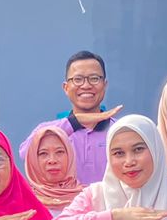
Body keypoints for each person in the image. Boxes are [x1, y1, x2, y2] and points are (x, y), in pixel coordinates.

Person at [46, 114, 167, 220]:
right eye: (119, 153)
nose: (129, 161)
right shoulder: (95, 195)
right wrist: (114, 217)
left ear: (155, 150)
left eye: (138, 150)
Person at [20, 51, 123, 183]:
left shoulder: (120, 130)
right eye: (78, 79)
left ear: (105, 85)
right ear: (66, 87)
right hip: (63, 197)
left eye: (94, 78)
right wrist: (73, 123)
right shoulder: (50, 130)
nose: (86, 85)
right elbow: (25, 153)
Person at [22, 124, 83, 216]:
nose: (52, 160)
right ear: (33, 159)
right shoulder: (21, 201)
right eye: (43, 153)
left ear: (70, 156)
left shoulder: (90, 197)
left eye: (59, 152)